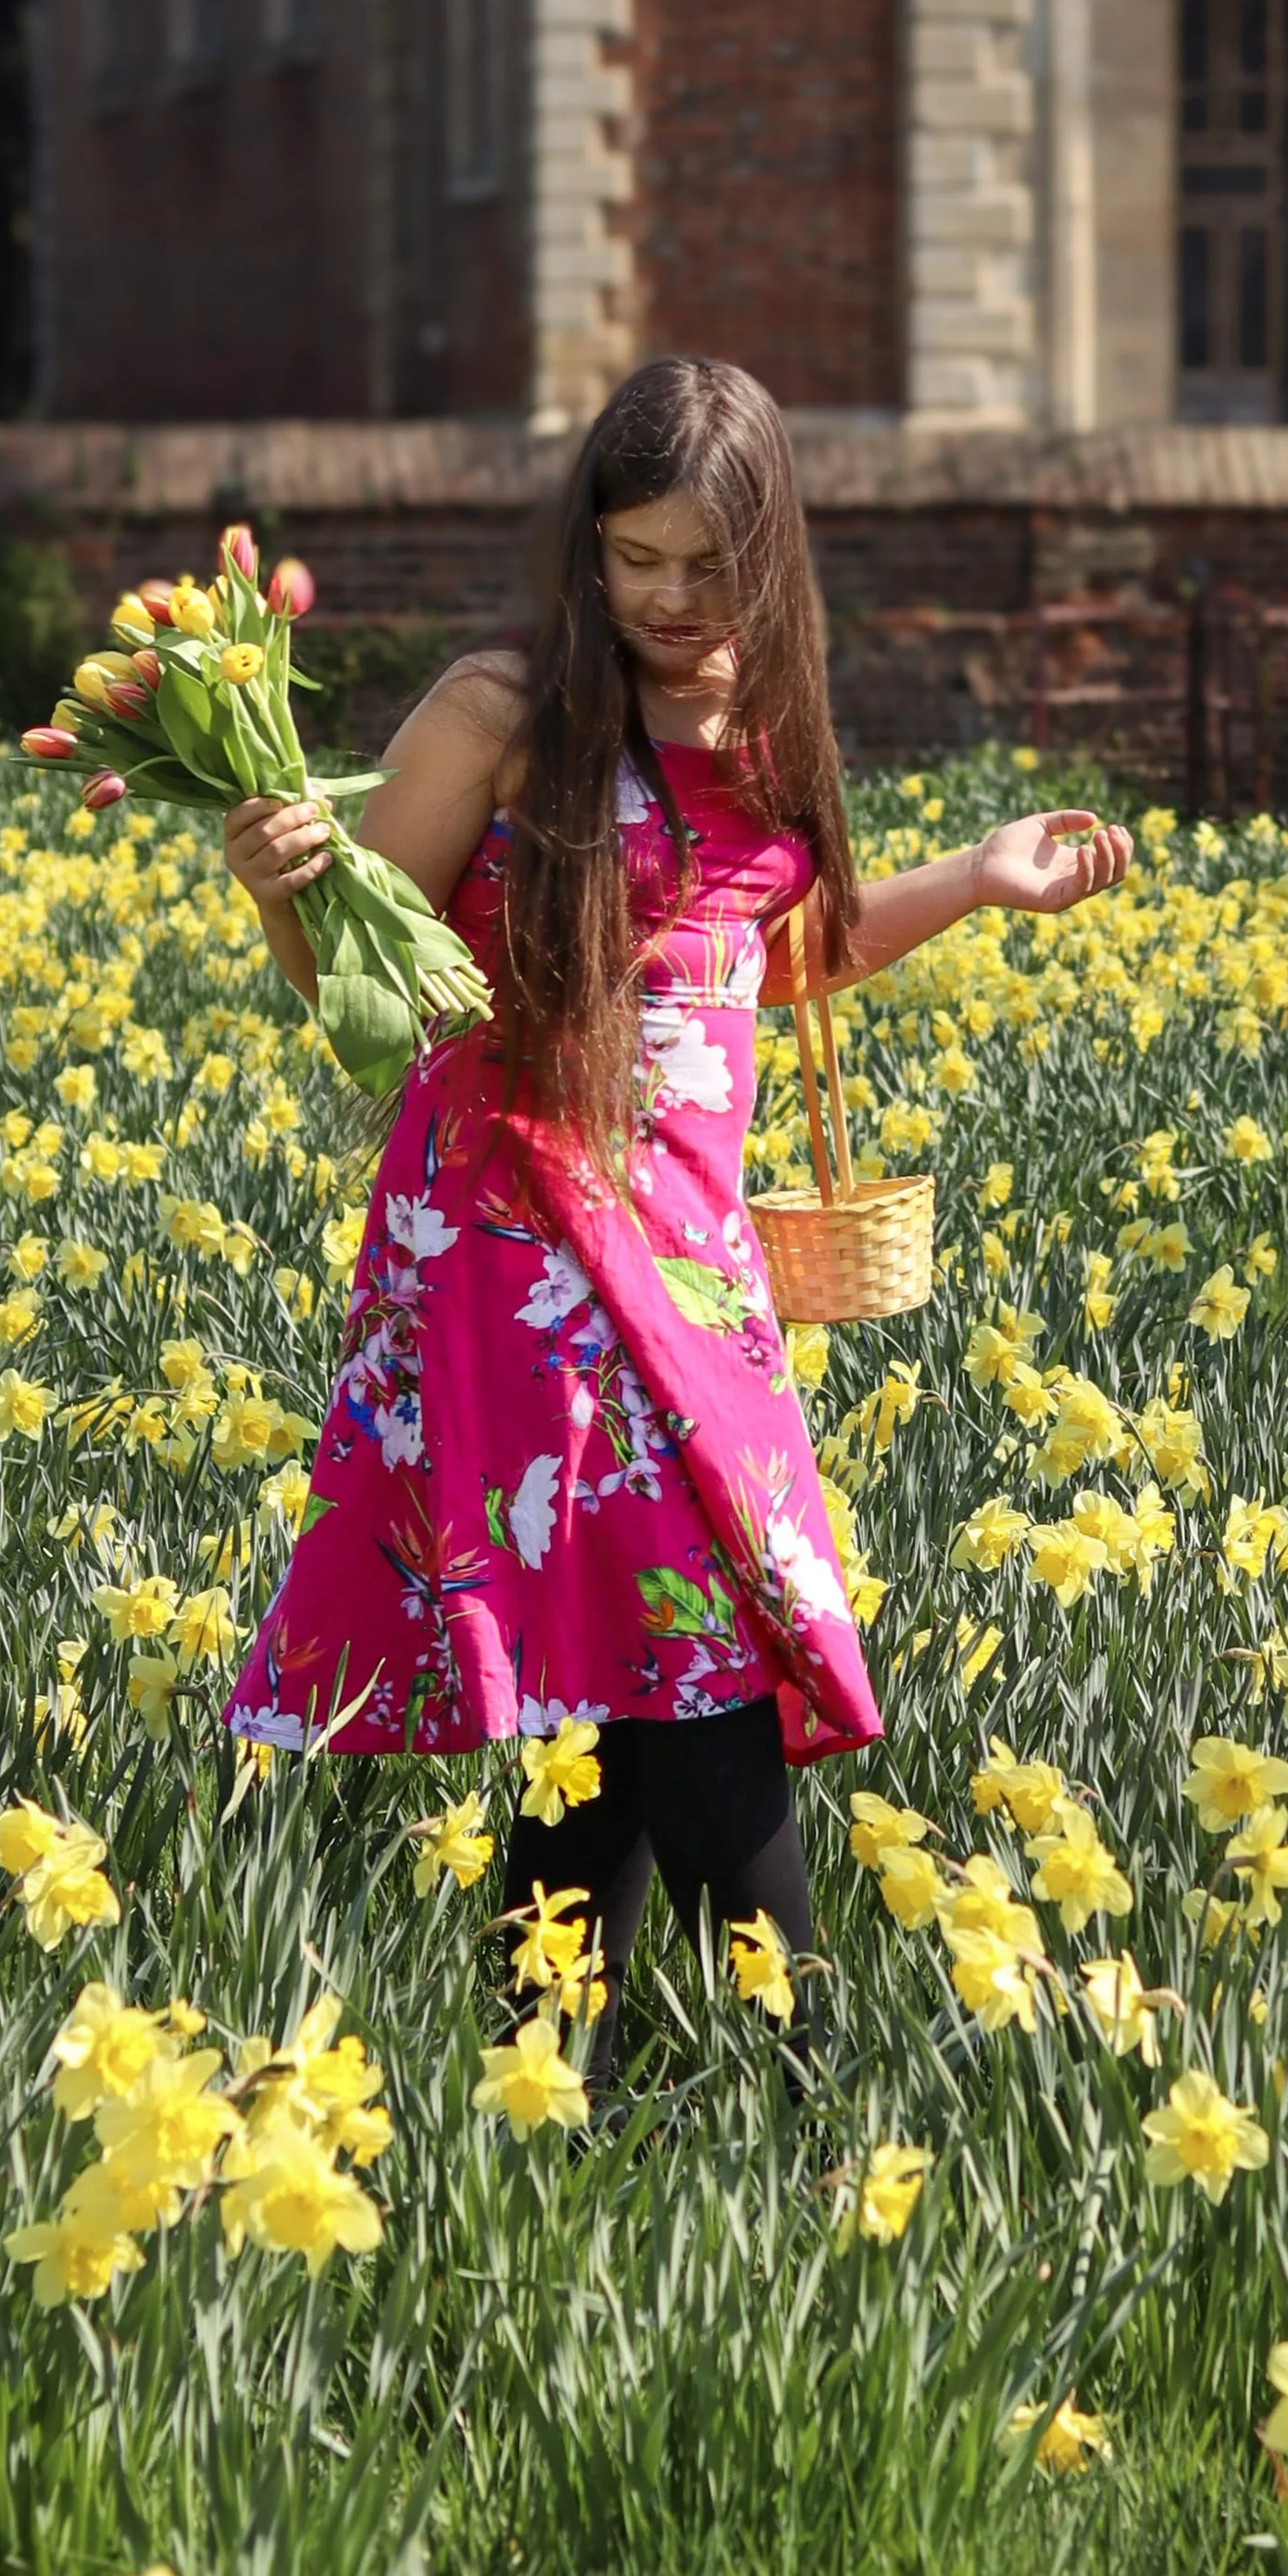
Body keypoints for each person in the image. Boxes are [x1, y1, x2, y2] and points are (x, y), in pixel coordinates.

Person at [222, 355, 1130, 2079]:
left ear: (768, 551)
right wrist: (285, 895)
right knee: (697, 1657)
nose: (665, 594)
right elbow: (367, 977)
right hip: (519, 1257)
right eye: (633, 557)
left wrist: (976, 880)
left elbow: (773, 953)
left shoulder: (771, 725)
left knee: (626, 1688)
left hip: (695, 1265)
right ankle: (817, 2093)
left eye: (703, 563)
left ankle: (543, 2089)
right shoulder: (504, 710)